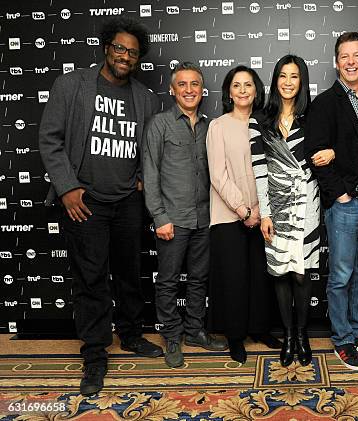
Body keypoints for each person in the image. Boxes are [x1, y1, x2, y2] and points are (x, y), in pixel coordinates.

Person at [38, 17, 163, 395]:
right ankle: (94, 354)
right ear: (107, 48)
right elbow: (50, 139)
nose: (126, 56)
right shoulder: (72, 84)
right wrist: (67, 188)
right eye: (120, 48)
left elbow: (148, 146)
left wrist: (143, 177)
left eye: (133, 52)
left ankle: (130, 334)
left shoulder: (145, 97)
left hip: (126, 200)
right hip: (84, 200)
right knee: (91, 279)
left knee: (129, 273)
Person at [305, 32, 358, 371]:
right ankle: (342, 338)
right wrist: (340, 194)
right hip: (347, 204)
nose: (352, 61)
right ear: (336, 62)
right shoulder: (325, 103)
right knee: (341, 275)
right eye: (345, 56)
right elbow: (315, 155)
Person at [249, 55, 334, 367]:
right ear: (275, 81)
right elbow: (259, 170)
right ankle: (288, 336)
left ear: (302, 81)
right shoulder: (259, 120)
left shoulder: (312, 117)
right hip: (277, 206)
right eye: (282, 75)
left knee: (301, 273)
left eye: (294, 76)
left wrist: (334, 150)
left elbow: (333, 143)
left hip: (307, 203)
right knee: (281, 274)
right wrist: (267, 213)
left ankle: (302, 334)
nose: (287, 82)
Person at [142, 62, 228, 368]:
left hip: (204, 218)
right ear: (172, 89)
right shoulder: (159, 124)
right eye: (182, 84)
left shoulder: (211, 126)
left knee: (198, 280)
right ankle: (172, 338)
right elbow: (149, 175)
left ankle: (194, 331)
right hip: (172, 219)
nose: (189, 90)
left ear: (201, 89)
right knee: (167, 282)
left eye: (194, 84)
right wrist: (159, 216)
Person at [207, 66, 282, 364]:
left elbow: (275, 170)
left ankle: (259, 329)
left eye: (248, 85)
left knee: (261, 277)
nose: (242, 90)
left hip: (264, 214)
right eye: (236, 85)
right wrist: (243, 209)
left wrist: (261, 211)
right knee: (234, 278)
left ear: (256, 90)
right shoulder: (218, 126)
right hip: (230, 215)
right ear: (228, 91)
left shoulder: (266, 123)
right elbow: (217, 174)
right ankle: (236, 337)